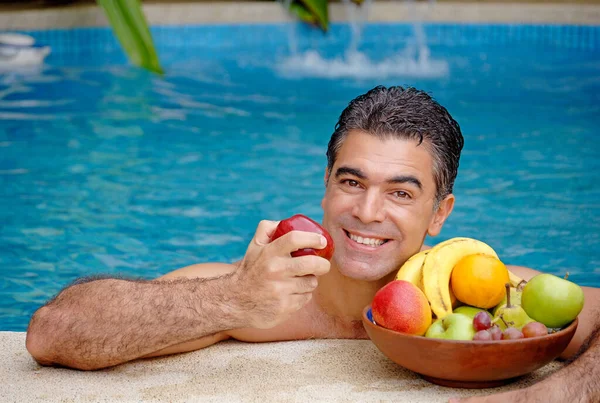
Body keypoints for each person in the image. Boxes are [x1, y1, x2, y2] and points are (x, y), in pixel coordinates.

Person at [26, 86, 599, 402]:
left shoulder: (480, 291)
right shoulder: (261, 291)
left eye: (401, 193)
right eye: (352, 182)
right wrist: (230, 299)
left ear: (439, 215)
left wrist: (551, 397)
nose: (367, 212)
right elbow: (53, 332)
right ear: (326, 188)